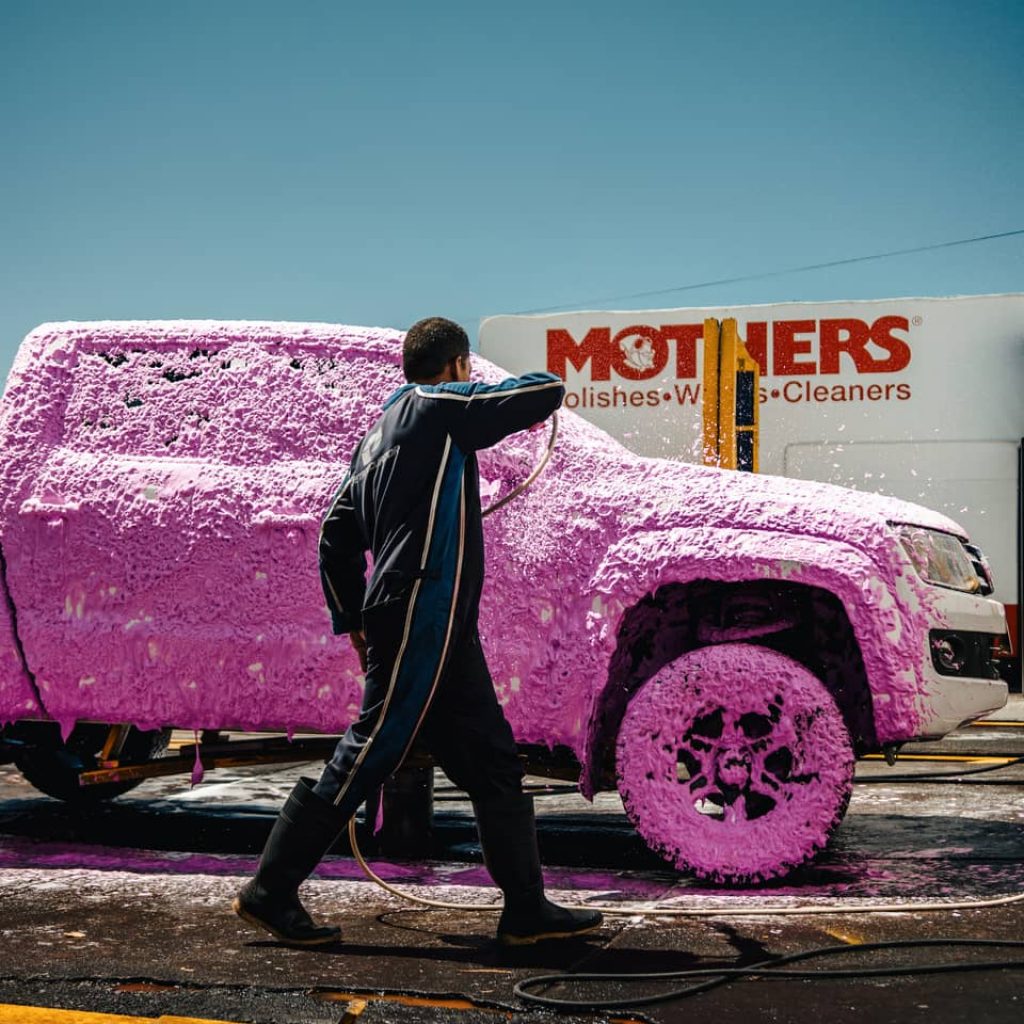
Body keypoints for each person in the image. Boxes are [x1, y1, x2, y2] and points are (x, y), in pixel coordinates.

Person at [233, 317, 602, 947]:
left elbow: (335, 538)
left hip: (435, 623)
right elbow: (542, 392)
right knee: (372, 747)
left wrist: (350, 618)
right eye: (467, 371)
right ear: (458, 366)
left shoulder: (376, 436)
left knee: (492, 762)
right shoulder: (436, 404)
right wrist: (493, 381)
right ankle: (269, 889)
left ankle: (526, 912)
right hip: (419, 608)